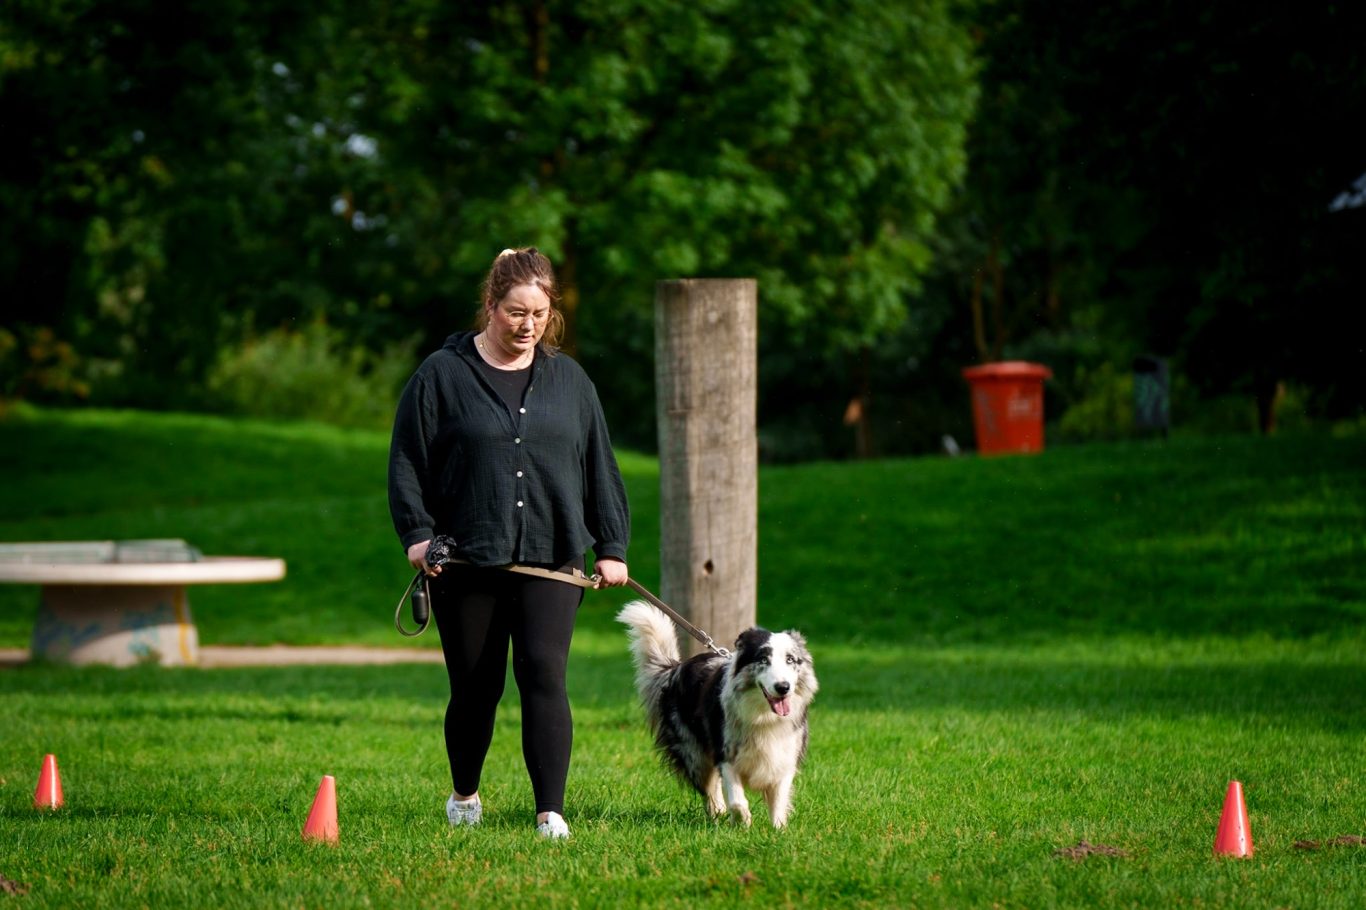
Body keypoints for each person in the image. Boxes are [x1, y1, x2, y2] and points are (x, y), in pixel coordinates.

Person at [387, 247, 630, 839]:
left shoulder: (570, 380)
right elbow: (407, 462)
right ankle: (465, 794)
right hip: (466, 559)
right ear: (490, 307)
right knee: (476, 687)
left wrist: (612, 546)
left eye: (540, 315)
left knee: (545, 674)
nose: (527, 325)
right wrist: (418, 537)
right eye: (515, 313)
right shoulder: (441, 376)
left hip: (553, 557)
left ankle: (550, 812)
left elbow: (599, 463)